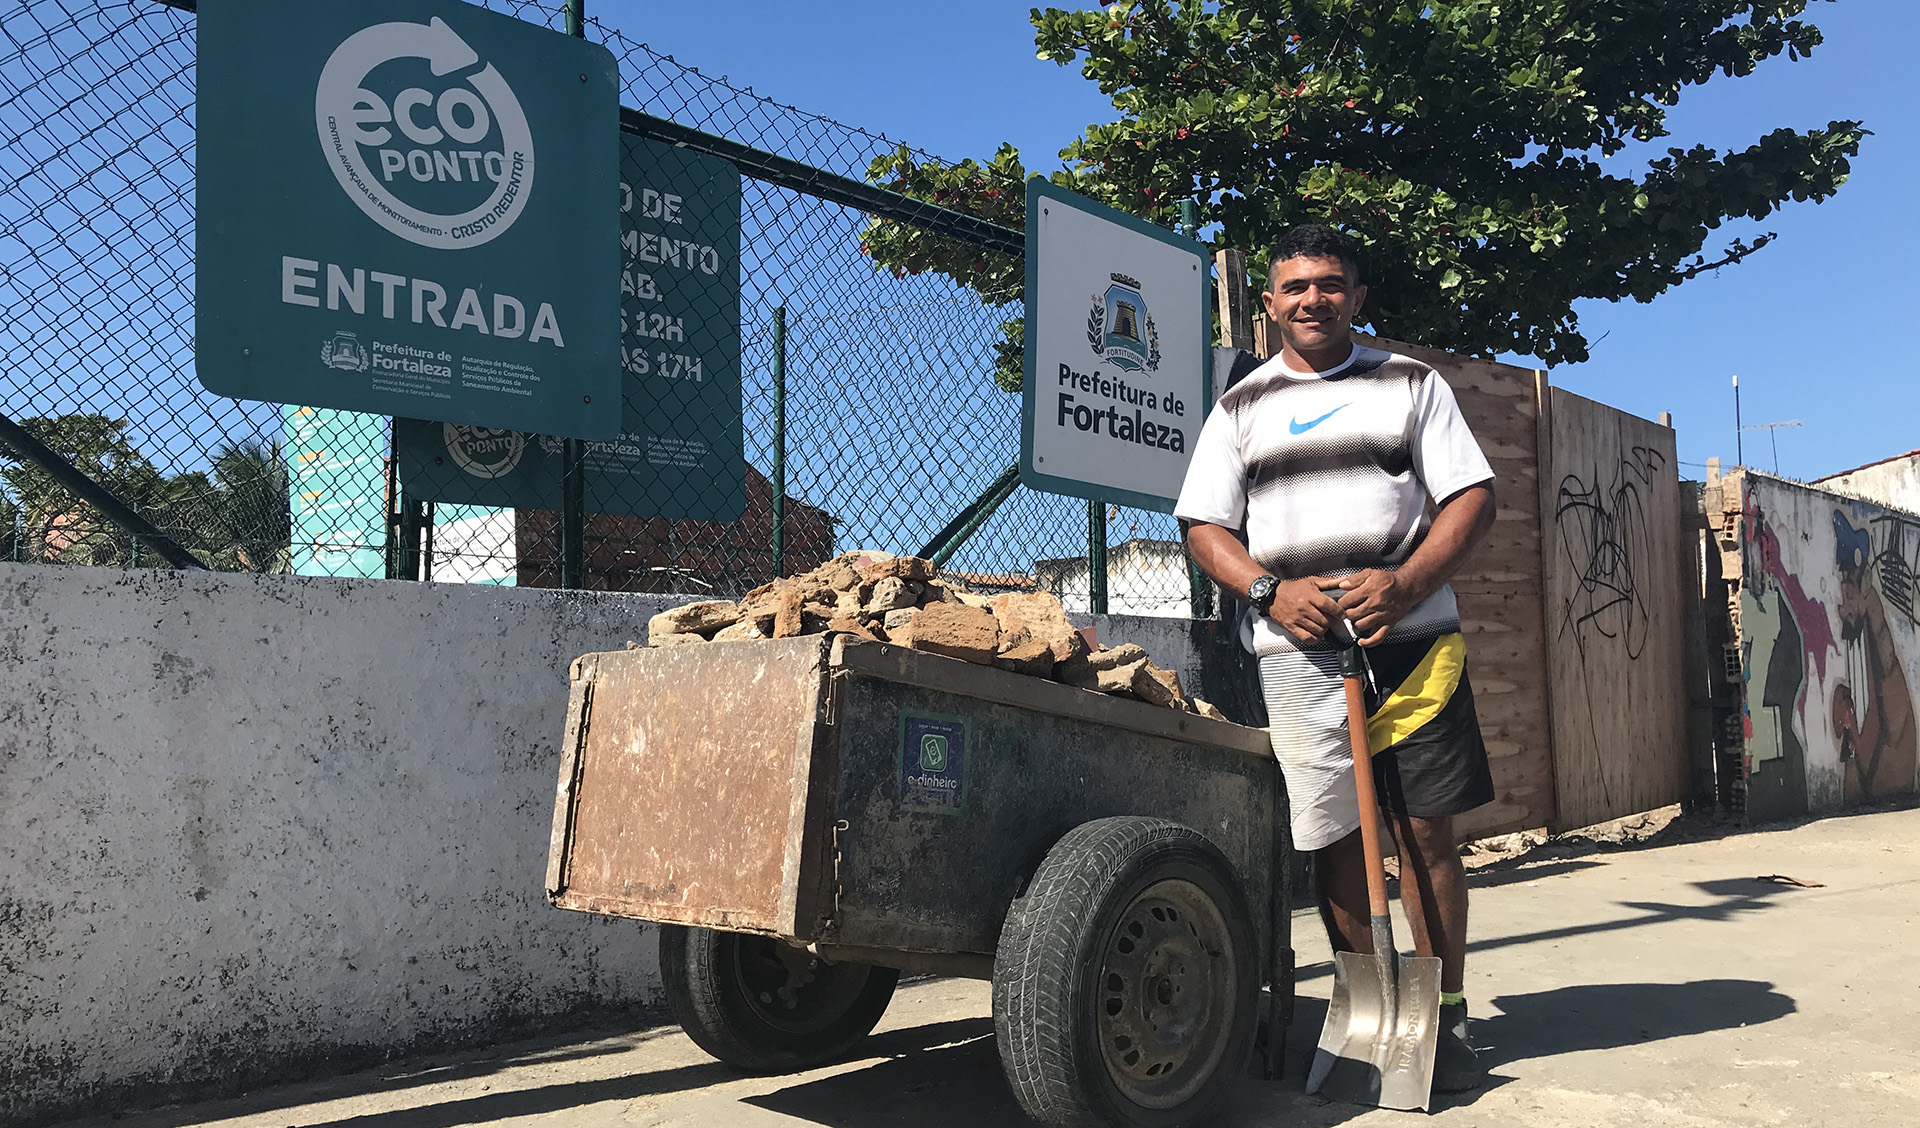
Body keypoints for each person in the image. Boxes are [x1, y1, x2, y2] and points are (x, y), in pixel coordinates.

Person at [1174, 224, 1497, 1091]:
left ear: (1357, 296)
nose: (1312, 299)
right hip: (1298, 653)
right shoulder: (1241, 407)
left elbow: (1472, 498)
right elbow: (1205, 525)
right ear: (1269, 303)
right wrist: (1269, 592)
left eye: (1330, 284)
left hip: (1414, 644)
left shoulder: (1410, 385)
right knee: (1336, 842)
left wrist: (1404, 582)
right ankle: (1372, 1020)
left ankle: (1444, 1019)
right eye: (1295, 287)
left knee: (1425, 832)